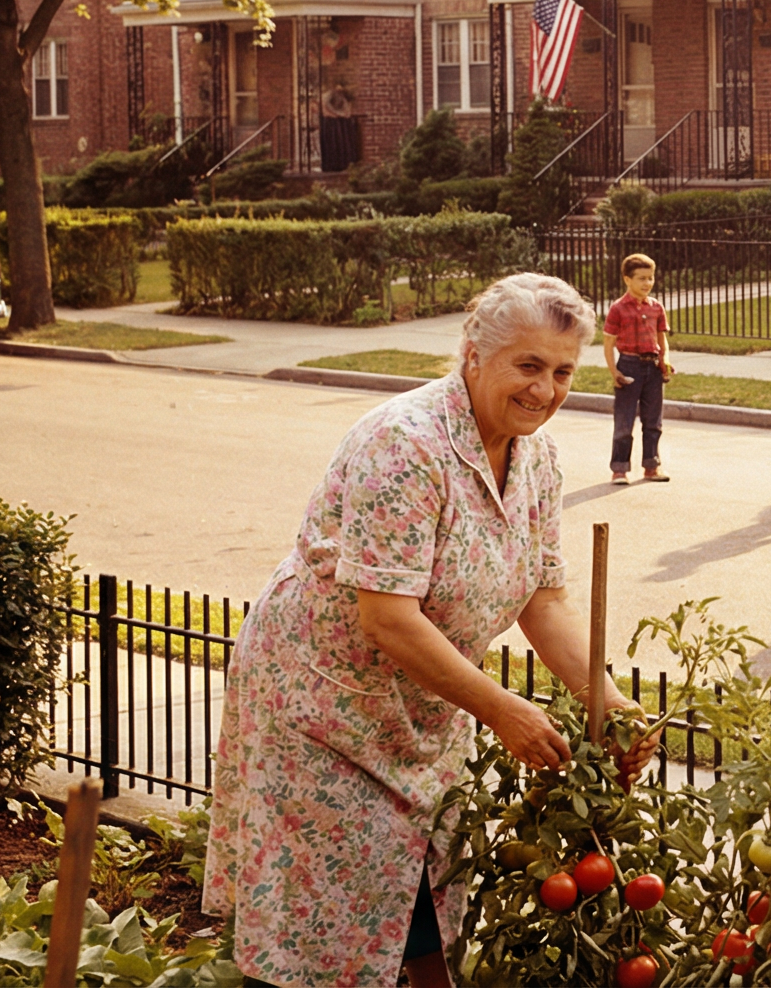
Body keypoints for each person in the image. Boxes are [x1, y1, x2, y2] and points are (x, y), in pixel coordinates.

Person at [205, 273, 650, 988]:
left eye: (563, 371)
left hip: (421, 711)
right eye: (528, 366)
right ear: (474, 354)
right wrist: (503, 709)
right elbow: (387, 619)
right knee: (325, 926)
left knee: (424, 901)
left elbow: (543, 601)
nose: (546, 390)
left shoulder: (537, 459)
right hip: (324, 709)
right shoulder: (404, 443)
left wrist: (612, 705)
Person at [602, 252, 671, 484]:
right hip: (629, 365)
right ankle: (619, 469)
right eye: (641, 278)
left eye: (650, 278)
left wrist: (665, 362)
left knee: (653, 421)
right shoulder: (618, 309)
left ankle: (651, 466)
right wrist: (615, 372)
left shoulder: (656, 308)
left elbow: (662, 340)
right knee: (624, 421)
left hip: (652, 368)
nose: (647, 283)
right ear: (627, 279)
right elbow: (609, 343)